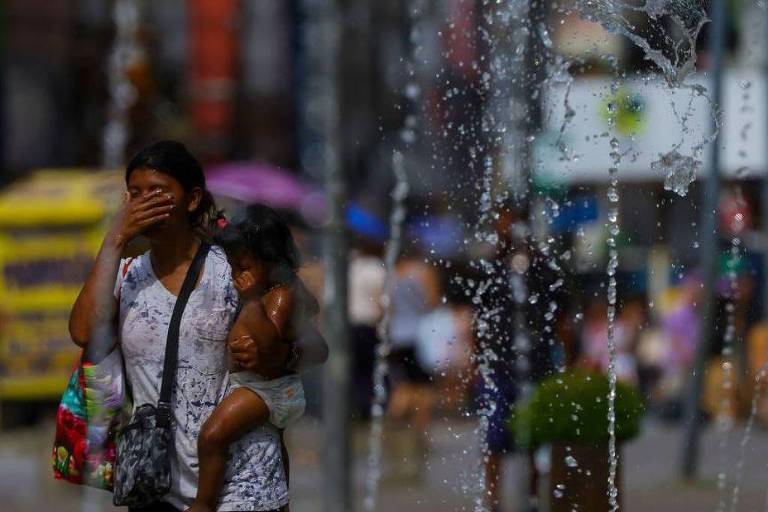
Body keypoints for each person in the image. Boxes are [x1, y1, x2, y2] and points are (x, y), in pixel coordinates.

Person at [69, 141, 327, 512]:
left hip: (244, 484)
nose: (144, 204)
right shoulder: (125, 276)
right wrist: (114, 240)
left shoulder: (238, 271)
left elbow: (316, 348)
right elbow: (82, 333)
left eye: (158, 193)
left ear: (192, 200)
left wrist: (280, 354)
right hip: (156, 481)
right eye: (136, 194)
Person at [187, 205, 318, 512]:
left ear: (271, 262)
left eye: (243, 268)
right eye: (233, 267)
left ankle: (203, 504)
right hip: (259, 387)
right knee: (273, 446)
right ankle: (281, 502)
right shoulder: (275, 286)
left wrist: (251, 302)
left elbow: (268, 345)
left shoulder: (278, 296)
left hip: (267, 391)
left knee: (212, 436)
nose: (236, 276)